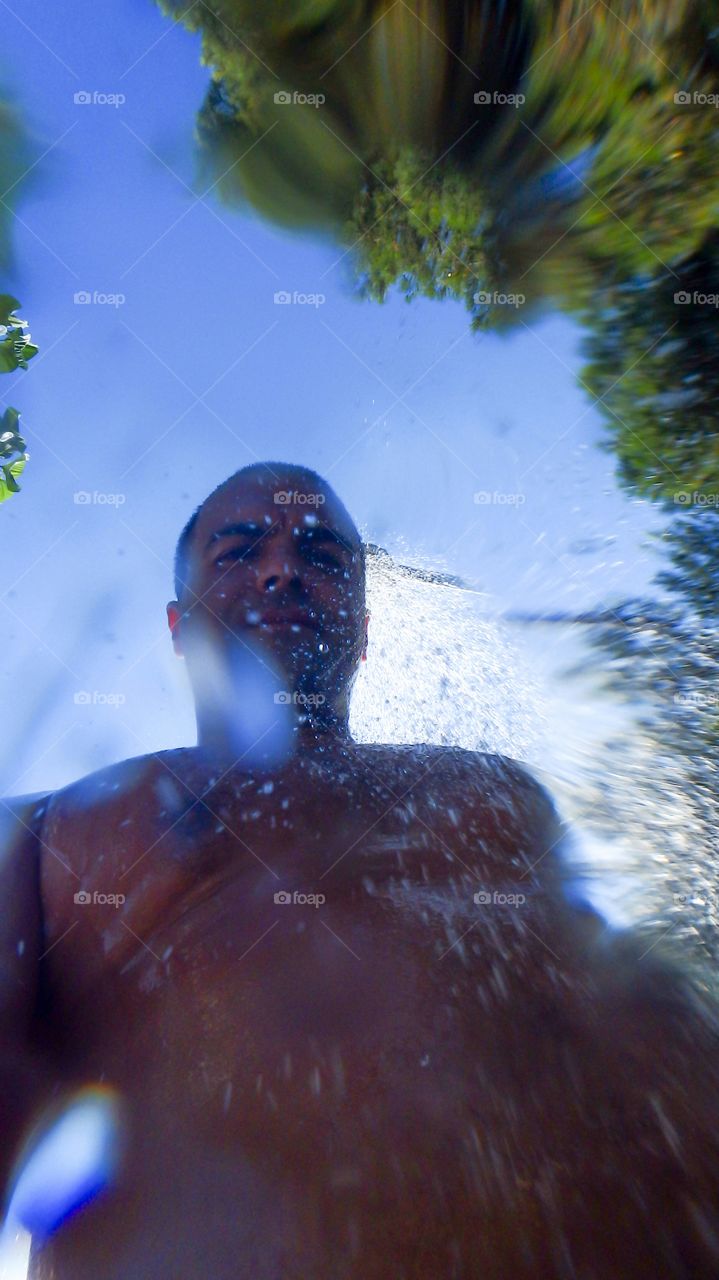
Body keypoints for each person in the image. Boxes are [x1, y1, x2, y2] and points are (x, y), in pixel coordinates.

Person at [2, 460, 719, 1280]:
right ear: (176, 623)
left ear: (366, 627)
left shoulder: (489, 791)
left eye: (324, 556)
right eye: (239, 551)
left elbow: (639, 1016)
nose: (283, 568)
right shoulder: (52, 827)